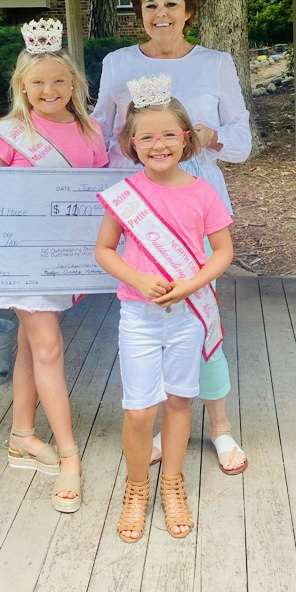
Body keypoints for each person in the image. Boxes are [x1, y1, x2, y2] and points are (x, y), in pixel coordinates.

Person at [93, 0, 251, 475]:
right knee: (151, 316)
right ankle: (164, 422)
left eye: (171, 3)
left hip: (196, 201)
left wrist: (210, 136)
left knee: (200, 314)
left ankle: (220, 426)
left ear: (189, 10)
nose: (161, 13)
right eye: (150, 4)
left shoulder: (216, 63)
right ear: (139, 12)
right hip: (140, 208)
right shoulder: (117, 62)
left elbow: (243, 140)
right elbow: (100, 133)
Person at [95, 75, 233, 542]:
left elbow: (223, 252)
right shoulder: (126, 195)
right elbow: (105, 250)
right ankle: (137, 487)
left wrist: (190, 285)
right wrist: (138, 279)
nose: (159, 145)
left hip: (187, 315)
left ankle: (172, 482)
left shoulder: (202, 192)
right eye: (147, 137)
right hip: (139, 315)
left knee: (179, 401)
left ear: (186, 138)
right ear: (132, 144)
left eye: (169, 135)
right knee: (139, 410)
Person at [0, 17, 108, 513]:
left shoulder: (92, 130)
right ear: (22, 86)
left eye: (59, 80)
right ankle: (70, 456)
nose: (49, 90)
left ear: (74, 83)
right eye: (38, 82)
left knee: (30, 346)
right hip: (22, 256)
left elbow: (101, 195)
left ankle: (21, 435)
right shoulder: (10, 134)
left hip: (65, 257)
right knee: (49, 347)